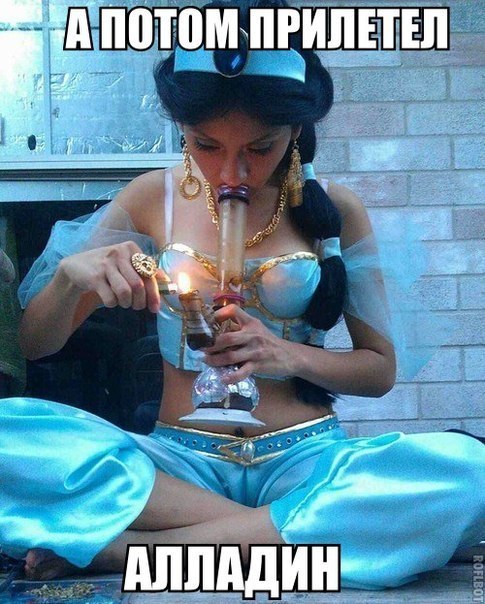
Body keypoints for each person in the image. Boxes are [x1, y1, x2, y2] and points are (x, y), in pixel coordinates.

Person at [1, 0, 483, 590]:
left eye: (260, 147)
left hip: (305, 460)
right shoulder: (151, 197)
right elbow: (36, 343)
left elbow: (379, 371)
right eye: (206, 145)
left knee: (470, 471)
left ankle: (127, 553)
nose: (232, 172)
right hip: (176, 467)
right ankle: (287, 532)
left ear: (296, 131)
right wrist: (72, 278)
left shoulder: (337, 209)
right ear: (181, 126)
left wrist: (286, 355)